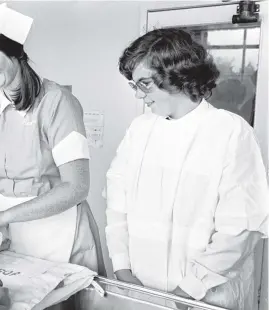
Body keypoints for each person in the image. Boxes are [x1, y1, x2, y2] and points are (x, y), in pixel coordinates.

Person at [0, 3, 105, 275]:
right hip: (4, 226)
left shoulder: (57, 102)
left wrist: (4, 217)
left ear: (13, 52)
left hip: (56, 224)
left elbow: (76, 187)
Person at [105, 28, 268, 310]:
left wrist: (184, 294)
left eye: (145, 84)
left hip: (207, 297)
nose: (138, 95)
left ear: (176, 75)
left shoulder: (230, 132)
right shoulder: (139, 130)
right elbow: (116, 205)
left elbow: (239, 229)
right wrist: (122, 270)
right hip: (141, 290)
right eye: (135, 86)